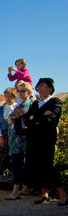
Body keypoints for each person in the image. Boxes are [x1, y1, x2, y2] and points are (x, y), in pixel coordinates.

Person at [24, 78, 67, 206]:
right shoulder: (36, 104)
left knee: (48, 166)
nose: (40, 88)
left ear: (50, 88)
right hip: (34, 138)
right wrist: (40, 117)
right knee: (38, 165)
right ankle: (44, 192)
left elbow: (51, 119)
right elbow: (27, 120)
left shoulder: (56, 102)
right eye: (39, 86)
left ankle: (62, 194)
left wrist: (35, 118)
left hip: (47, 138)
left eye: (43, 86)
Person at [5, 82, 33, 200]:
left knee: (17, 163)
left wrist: (11, 118)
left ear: (28, 92)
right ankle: (24, 188)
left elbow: (10, 119)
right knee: (20, 162)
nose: (20, 93)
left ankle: (16, 190)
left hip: (19, 139)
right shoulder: (22, 104)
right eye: (19, 91)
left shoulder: (25, 105)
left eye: (22, 91)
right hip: (17, 138)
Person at [0, 88, 17, 188]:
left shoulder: (18, 108)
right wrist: (1, 137)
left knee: (14, 158)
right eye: (6, 96)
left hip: (15, 136)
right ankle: (0, 182)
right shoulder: (0, 109)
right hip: (3, 135)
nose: (7, 98)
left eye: (10, 96)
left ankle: (14, 181)